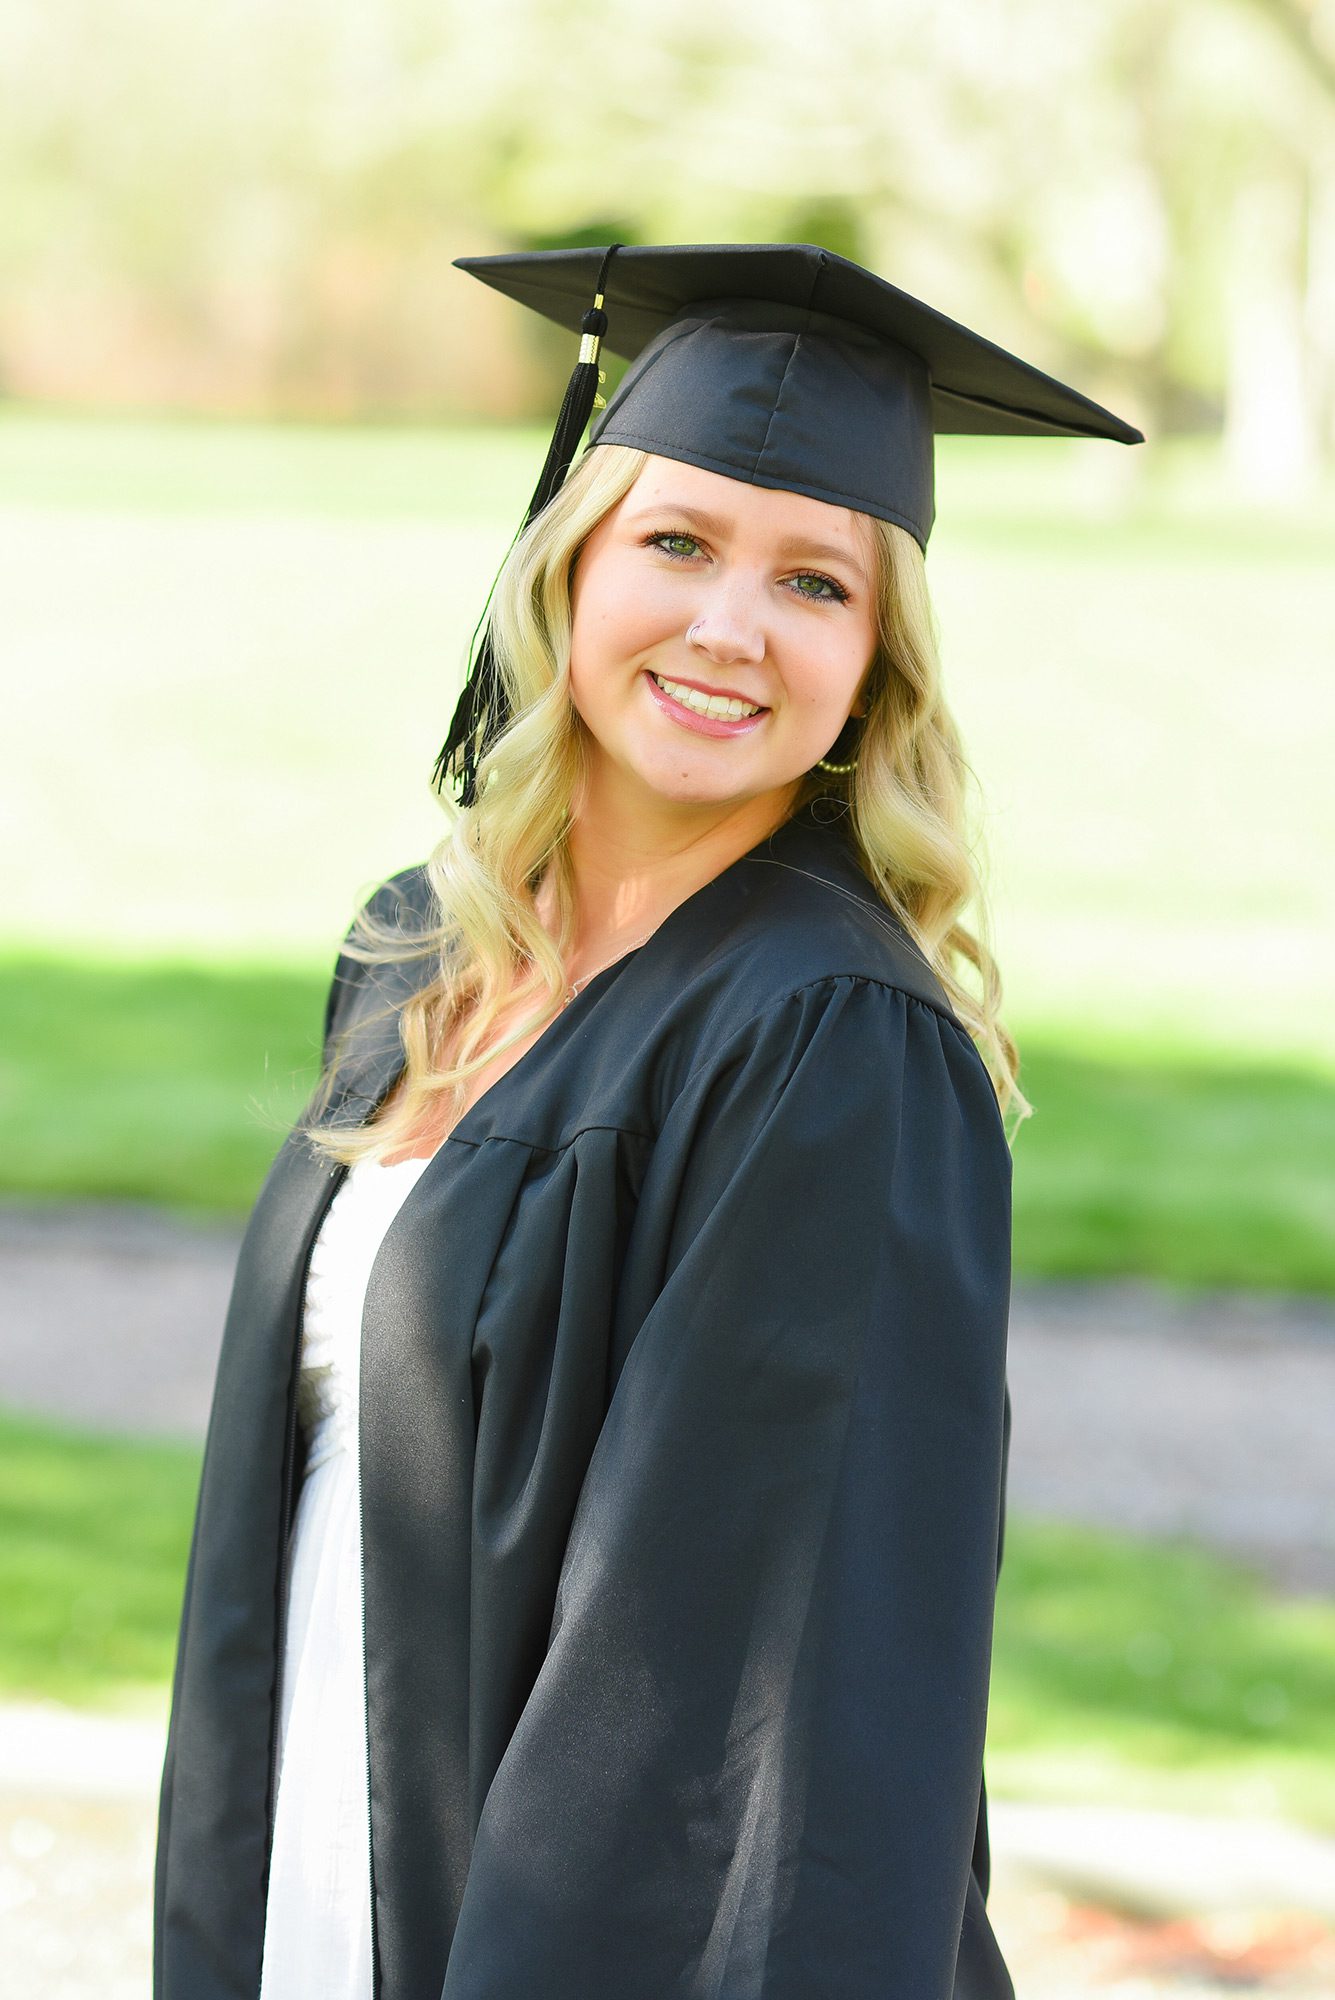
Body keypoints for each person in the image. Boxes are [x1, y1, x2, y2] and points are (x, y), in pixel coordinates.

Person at [153, 241, 1142, 2000]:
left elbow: (743, 1708)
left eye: (815, 584)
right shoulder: (420, 954)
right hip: (326, 1873)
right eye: (675, 543)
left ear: (875, 663)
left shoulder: (830, 1041)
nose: (728, 629)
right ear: (566, 564)